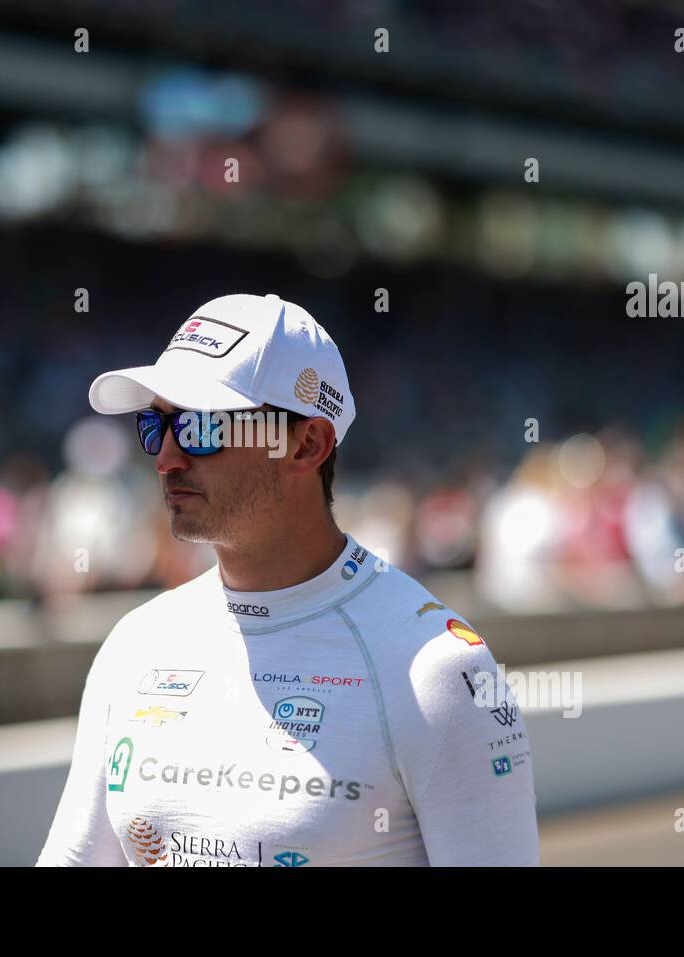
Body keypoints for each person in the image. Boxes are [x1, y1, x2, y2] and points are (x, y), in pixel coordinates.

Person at [36, 293, 539, 866]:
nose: (166, 458)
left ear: (307, 444)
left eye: (201, 427)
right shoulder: (136, 642)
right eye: (155, 426)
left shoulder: (440, 670)